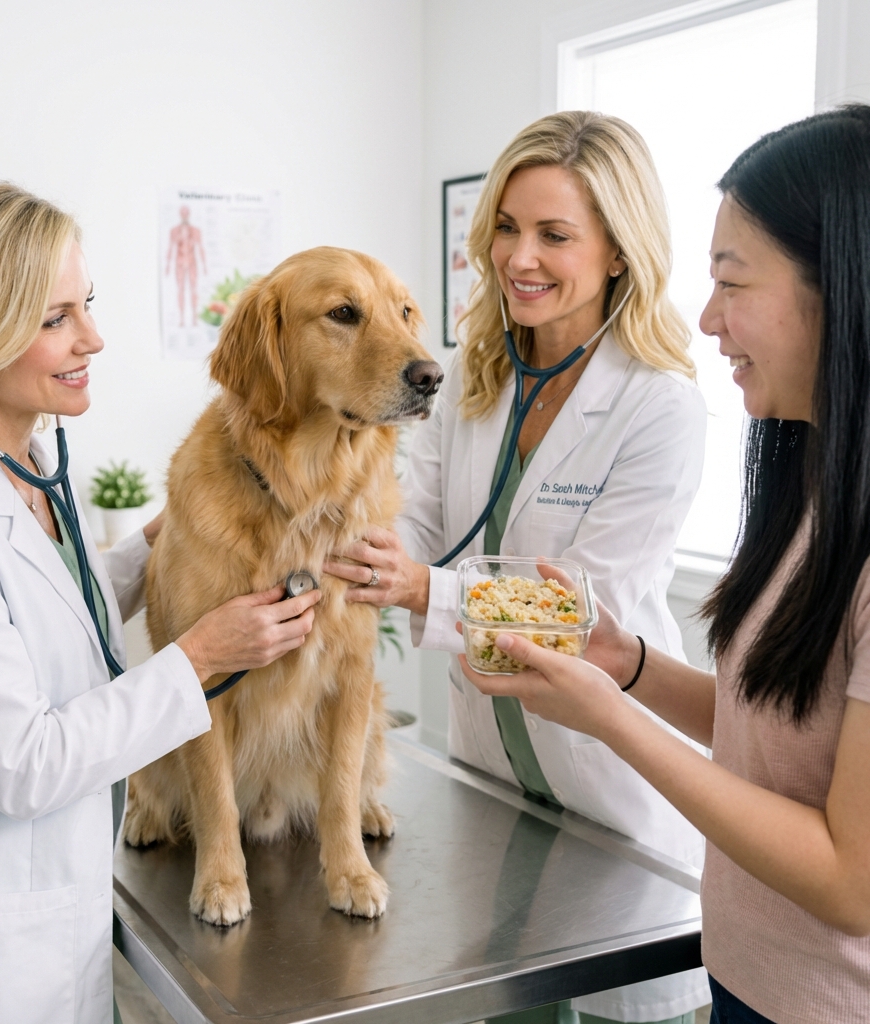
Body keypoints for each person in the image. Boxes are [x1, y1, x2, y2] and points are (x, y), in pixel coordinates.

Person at [0, 179, 321, 1024]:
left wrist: (168, 543)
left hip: (52, 926)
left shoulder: (26, 468)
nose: (93, 339)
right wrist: (204, 655)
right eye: (55, 318)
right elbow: (21, 764)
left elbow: (56, 615)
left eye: (87, 305)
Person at [461, 105, 870, 1024]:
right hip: (745, 975)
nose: (708, 316)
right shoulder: (813, 499)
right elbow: (781, 723)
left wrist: (607, 715)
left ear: (843, 285)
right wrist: (631, 667)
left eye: (732, 281)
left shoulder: (664, 410)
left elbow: (852, 882)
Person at [325, 111, 709, 1023]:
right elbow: (414, 514)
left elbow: (591, 609)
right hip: (495, 785)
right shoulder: (468, 378)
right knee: (510, 1003)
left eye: (553, 235)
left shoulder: (661, 406)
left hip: (614, 794)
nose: (518, 256)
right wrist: (345, 542)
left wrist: (423, 590)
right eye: (505, 226)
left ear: (619, 250)